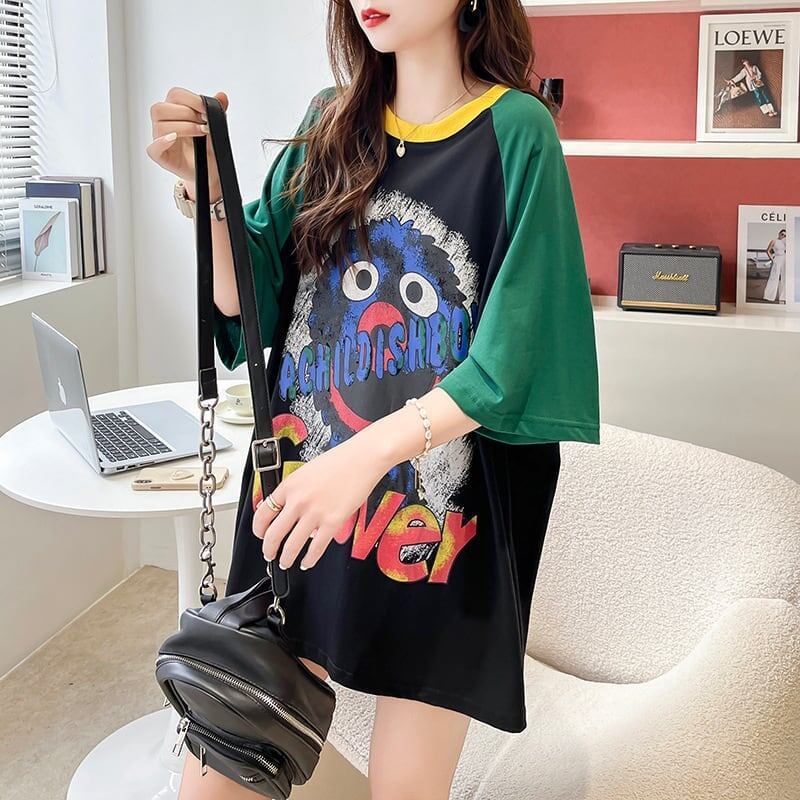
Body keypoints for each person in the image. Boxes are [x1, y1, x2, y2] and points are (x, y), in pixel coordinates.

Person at [146, 0, 600, 796]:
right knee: (215, 779)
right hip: (300, 505)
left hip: (435, 534)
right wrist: (208, 187)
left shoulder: (517, 131)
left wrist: (362, 457)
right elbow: (245, 297)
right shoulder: (329, 122)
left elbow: (512, 357)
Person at [763, 228, 786, 303]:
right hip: (777, 259)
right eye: (782, 234)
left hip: (784, 258)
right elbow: (768, 251)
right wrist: (772, 259)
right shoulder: (774, 241)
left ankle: (783, 297)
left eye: (785, 235)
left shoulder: (785, 242)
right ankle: (768, 296)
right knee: (773, 277)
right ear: (779, 233)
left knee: (784, 277)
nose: (783, 236)